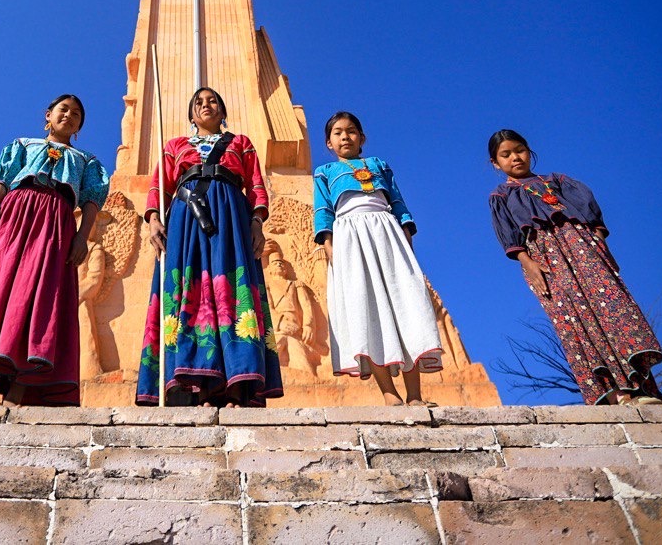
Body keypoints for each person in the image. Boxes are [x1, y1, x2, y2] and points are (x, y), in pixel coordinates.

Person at [0, 94, 108, 406]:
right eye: (63, 109)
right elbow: (1, 180)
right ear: (48, 115)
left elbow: (91, 200)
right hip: (15, 214)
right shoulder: (22, 145)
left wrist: (81, 237)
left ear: (80, 126)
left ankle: (18, 390)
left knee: (38, 299)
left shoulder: (87, 161)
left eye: (77, 113)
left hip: (56, 222)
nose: (69, 115)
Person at [487, 129, 662, 405]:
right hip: (545, 259)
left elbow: (592, 218)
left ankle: (646, 390)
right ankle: (618, 394)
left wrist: (598, 244)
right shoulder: (501, 196)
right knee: (578, 320)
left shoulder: (558, 181)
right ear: (495, 163)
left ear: (529, 150)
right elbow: (511, 237)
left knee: (612, 310)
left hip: (583, 248)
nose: (515, 158)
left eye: (519, 150)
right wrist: (529, 264)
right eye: (506, 154)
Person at [136, 87, 283, 407]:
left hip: (231, 217)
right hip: (186, 220)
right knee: (193, 290)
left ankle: (236, 389)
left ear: (223, 110)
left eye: (213, 100)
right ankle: (199, 388)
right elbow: (159, 187)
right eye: (199, 103)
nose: (206, 106)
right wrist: (153, 219)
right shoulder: (174, 146)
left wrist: (257, 222)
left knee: (230, 290)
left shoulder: (241, 143)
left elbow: (256, 185)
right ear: (191, 114)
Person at [313, 111, 443, 406]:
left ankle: (415, 394)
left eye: (351, 131)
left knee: (405, 303)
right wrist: (329, 245)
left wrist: (405, 231)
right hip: (349, 235)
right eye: (337, 132)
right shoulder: (324, 172)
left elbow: (397, 200)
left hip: (386, 229)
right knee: (365, 307)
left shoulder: (378, 165)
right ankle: (388, 393)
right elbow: (323, 212)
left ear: (362, 138)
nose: (345, 136)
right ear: (329, 143)